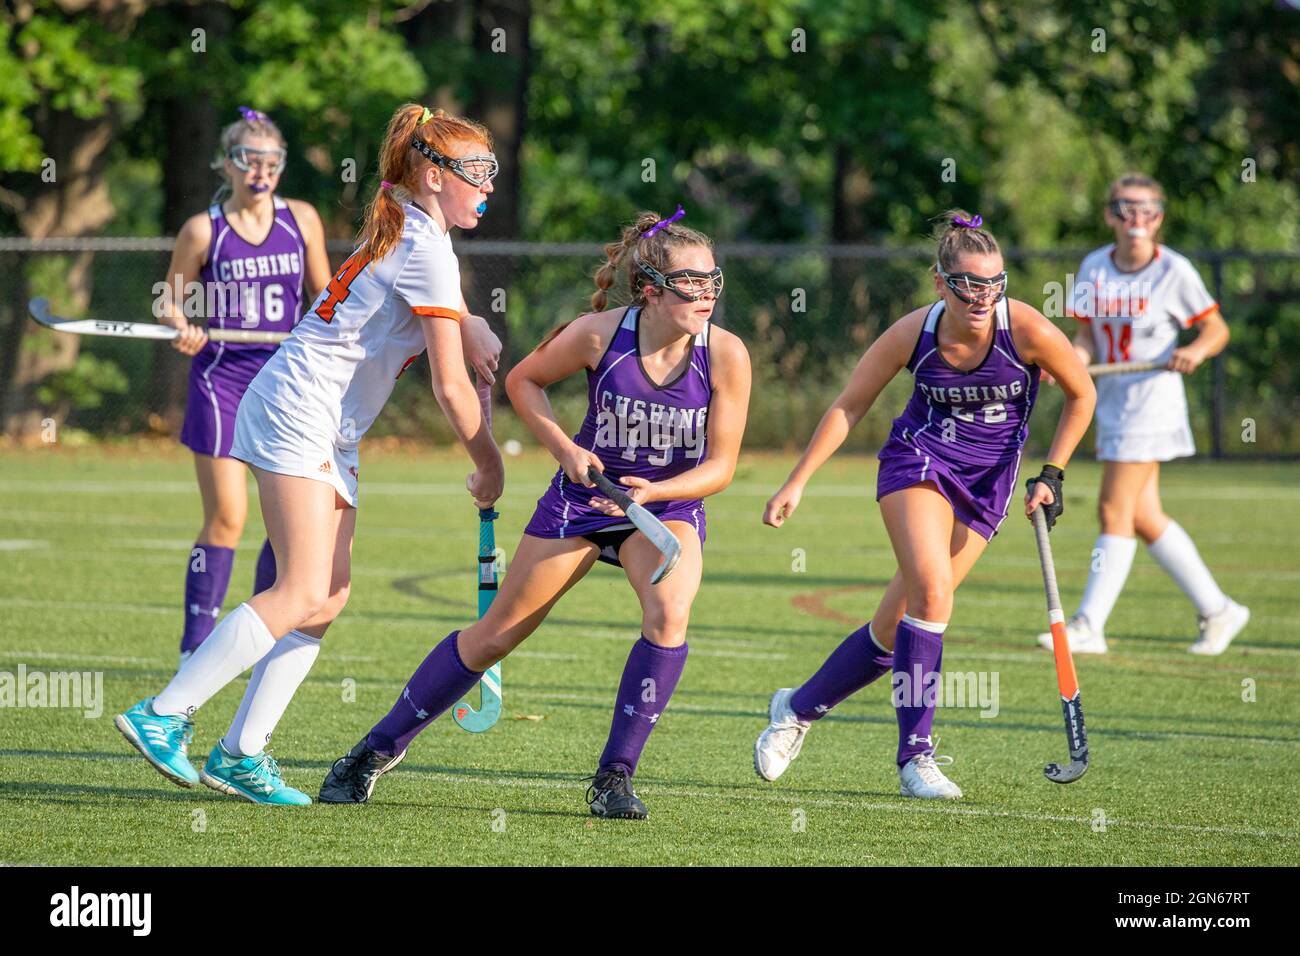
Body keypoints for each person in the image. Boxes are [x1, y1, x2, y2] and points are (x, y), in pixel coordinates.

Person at [115, 104, 504, 805]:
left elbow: (419, 319)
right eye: (477, 172)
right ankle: (163, 713)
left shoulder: (410, 229)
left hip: (327, 427)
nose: (488, 186)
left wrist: (470, 321)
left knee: (326, 597)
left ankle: (240, 754)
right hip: (300, 413)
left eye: (490, 172)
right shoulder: (425, 246)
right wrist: (491, 462)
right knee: (298, 588)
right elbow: (450, 388)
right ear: (432, 174)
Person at [319, 208, 752, 821]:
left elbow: (723, 465)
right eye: (692, 283)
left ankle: (615, 777)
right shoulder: (600, 334)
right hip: (582, 501)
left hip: (666, 505)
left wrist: (653, 495)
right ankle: (371, 752)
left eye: (713, 281)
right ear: (652, 290)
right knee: (496, 634)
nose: (707, 294)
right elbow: (524, 382)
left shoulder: (726, 354)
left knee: (669, 613)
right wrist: (568, 451)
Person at [754, 211, 1095, 799]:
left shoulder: (1028, 330)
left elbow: (1081, 393)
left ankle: (797, 708)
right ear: (941, 282)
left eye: (994, 283)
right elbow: (849, 405)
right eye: (969, 283)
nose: (982, 296)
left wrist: (1052, 474)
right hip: (919, 464)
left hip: (987, 485)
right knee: (934, 592)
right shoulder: (915, 331)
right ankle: (916, 758)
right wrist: (797, 480)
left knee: (895, 627)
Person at [1037, 173, 1248, 656]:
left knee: (1113, 509)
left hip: (1152, 405)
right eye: (1127, 208)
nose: (1138, 218)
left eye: (1148, 208)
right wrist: (1071, 365)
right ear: (1110, 215)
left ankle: (1089, 624)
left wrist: (1195, 351)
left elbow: (1217, 330)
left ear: (1160, 217)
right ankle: (1219, 609)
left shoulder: (1173, 270)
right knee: (1145, 516)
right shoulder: (1093, 266)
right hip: (1111, 401)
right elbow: (1087, 337)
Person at [158, 106, 330, 667]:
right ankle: (194, 646)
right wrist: (182, 325)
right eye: (248, 160)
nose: (260, 172)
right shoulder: (203, 229)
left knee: (292, 519)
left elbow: (327, 299)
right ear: (226, 165)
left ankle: (260, 624)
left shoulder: (301, 220)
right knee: (228, 516)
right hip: (222, 380)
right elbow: (170, 300)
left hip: (287, 384)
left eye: (271, 162)